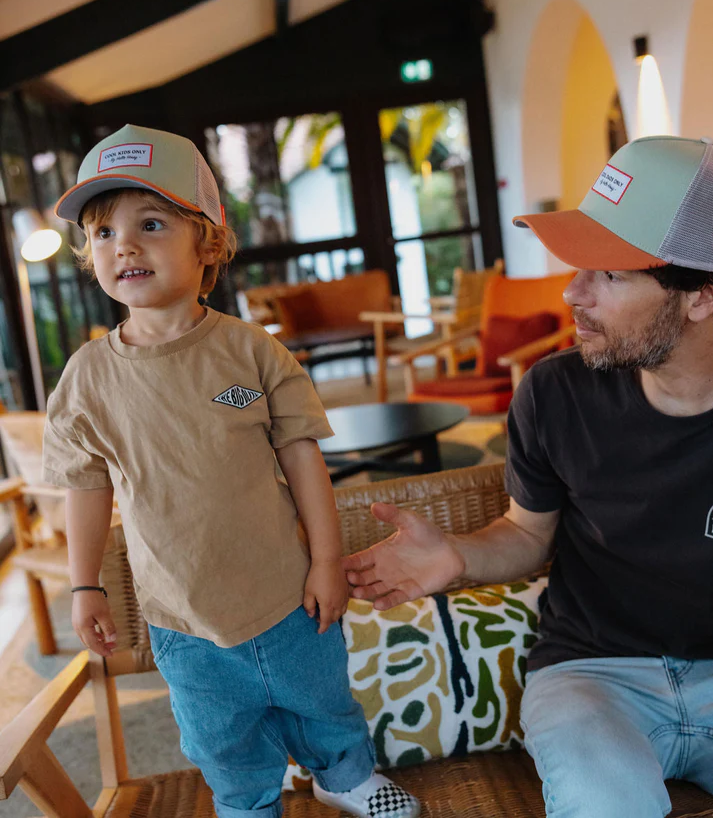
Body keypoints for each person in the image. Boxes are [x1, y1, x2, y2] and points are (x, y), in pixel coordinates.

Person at [43, 124, 420, 818]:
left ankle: (342, 776)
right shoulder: (87, 378)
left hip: (286, 592)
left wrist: (326, 561)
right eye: (102, 232)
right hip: (180, 612)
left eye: (150, 223)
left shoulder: (251, 352)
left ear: (208, 242)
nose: (124, 245)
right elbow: (85, 485)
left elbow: (303, 458)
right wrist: (84, 585)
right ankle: (247, 804)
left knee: (323, 699)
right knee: (218, 735)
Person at [343, 135, 713, 818]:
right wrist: (458, 556)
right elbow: (527, 534)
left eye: (609, 274)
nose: (572, 291)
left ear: (699, 296)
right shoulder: (554, 392)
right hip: (594, 674)